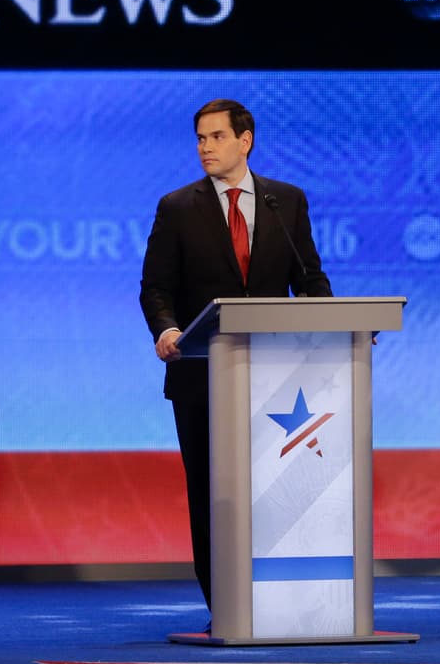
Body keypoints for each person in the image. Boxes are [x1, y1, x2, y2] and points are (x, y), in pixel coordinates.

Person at [139, 99, 332, 617]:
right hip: (202, 377)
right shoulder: (177, 207)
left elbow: (309, 278)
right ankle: (224, 604)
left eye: (216, 137)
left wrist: (333, 327)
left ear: (245, 141)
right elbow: (155, 288)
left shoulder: (284, 202)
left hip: (277, 378)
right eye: (200, 138)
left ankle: (287, 601)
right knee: (211, 496)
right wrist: (168, 328)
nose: (205, 147)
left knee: (279, 491)